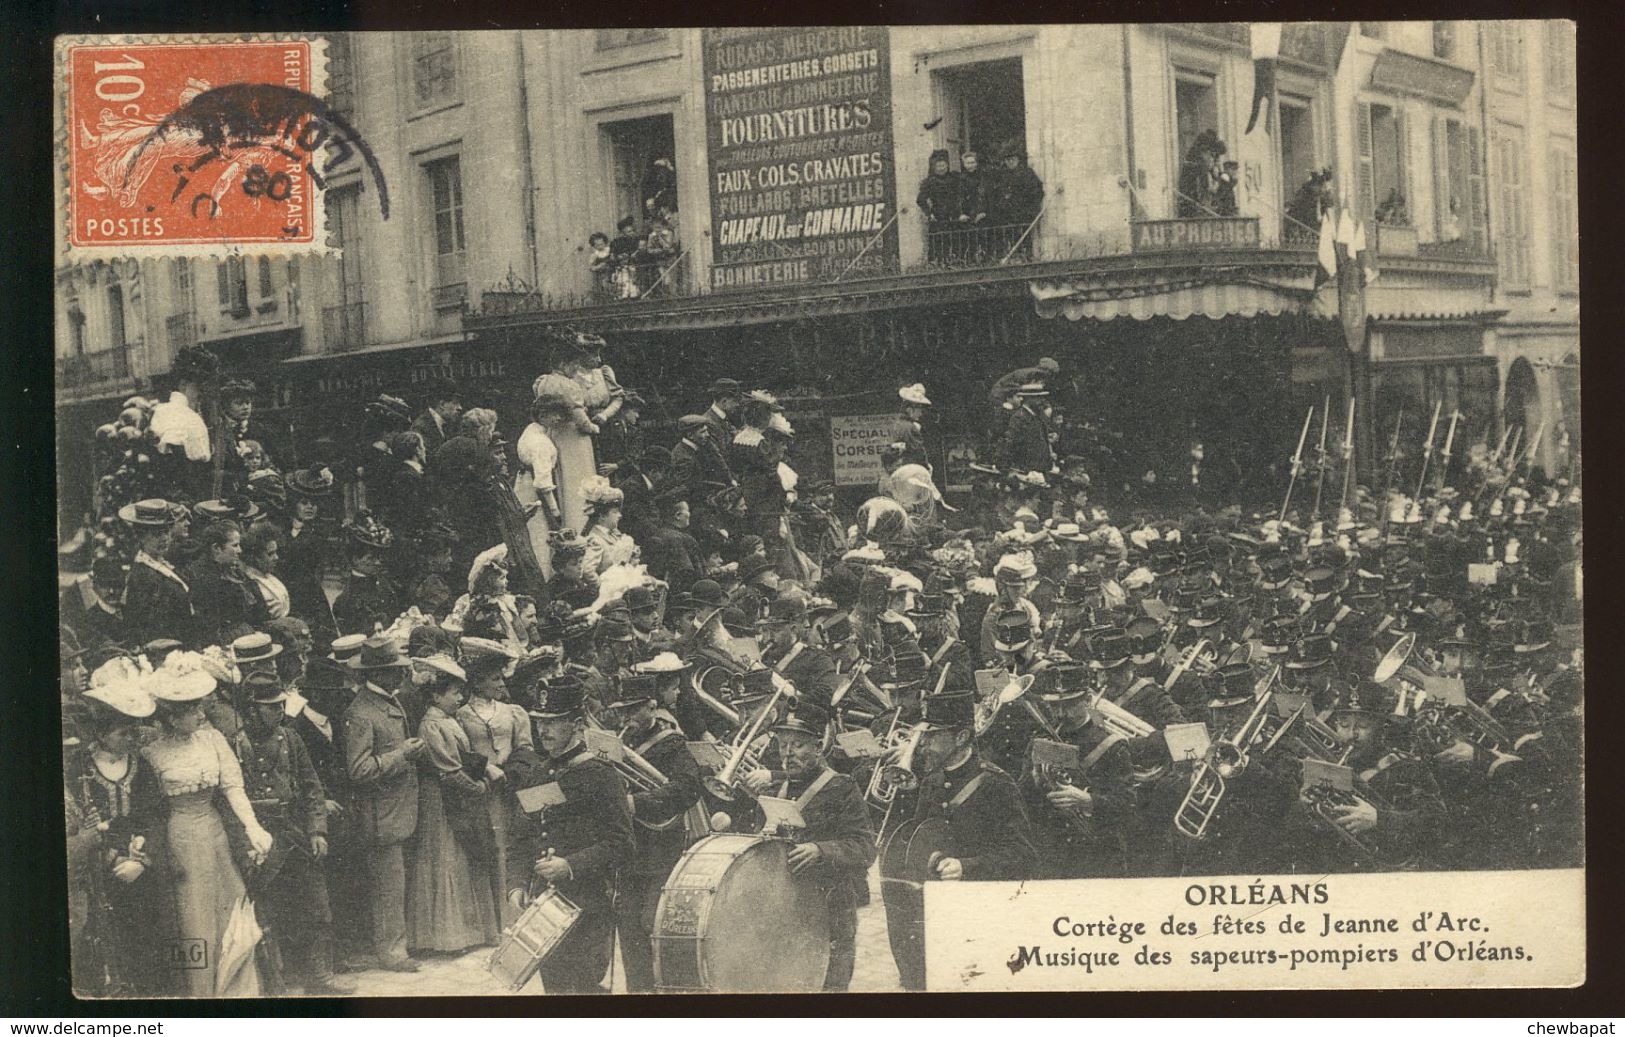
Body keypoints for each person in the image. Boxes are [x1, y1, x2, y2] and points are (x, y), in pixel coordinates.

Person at [142, 651, 273, 996]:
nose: (202, 715)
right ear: (171, 715)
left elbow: (233, 787)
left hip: (215, 834)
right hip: (180, 839)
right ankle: (198, 994)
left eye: (202, 707)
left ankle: (236, 992)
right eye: (193, 709)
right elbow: (150, 809)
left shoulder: (213, 739)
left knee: (232, 909)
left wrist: (253, 827)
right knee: (192, 918)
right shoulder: (151, 752)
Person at [504, 674, 634, 994]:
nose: (543, 730)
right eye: (539, 722)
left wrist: (570, 865)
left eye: (554, 722)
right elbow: (523, 836)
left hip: (588, 905)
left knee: (583, 988)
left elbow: (622, 844)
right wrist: (517, 883)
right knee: (556, 989)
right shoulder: (536, 774)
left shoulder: (601, 776)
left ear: (577, 724)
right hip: (545, 905)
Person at [232, 672, 352, 994]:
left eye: (281, 705)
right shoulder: (234, 745)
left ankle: (319, 979)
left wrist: (317, 832)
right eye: (270, 707)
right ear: (251, 709)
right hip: (260, 839)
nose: (279, 712)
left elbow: (312, 788)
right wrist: (247, 844)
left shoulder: (291, 738)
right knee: (267, 914)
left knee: (316, 907)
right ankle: (277, 983)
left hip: (294, 832)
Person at [65, 677, 174, 996]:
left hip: (142, 867)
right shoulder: (78, 769)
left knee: (148, 934)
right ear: (101, 734)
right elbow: (81, 823)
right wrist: (114, 856)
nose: (131, 739)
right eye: (122, 733)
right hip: (103, 869)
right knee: (110, 938)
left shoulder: (142, 766)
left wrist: (143, 856)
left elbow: (157, 815)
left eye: (133, 732)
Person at [603, 672, 704, 993]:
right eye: (622, 711)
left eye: (633, 710)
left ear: (651, 706)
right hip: (629, 848)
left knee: (655, 922)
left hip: (662, 845)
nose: (626, 718)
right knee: (629, 924)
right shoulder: (618, 742)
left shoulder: (672, 743)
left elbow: (689, 787)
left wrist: (637, 803)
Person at [765, 701, 875, 992]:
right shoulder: (780, 788)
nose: (787, 754)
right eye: (782, 745)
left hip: (832, 906)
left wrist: (821, 850)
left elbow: (865, 847)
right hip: (790, 904)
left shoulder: (842, 787)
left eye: (798, 745)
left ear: (818, 746)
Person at [341, 636, 428, 972]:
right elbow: (358, 769)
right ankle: (391, 951)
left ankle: (395, 945)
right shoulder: (362, 713)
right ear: (377, 674)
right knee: (387, 885)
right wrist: (402, 754)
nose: (402, 675)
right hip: (381, 815)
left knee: (394, 881)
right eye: (395, 671)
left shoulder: (386, 701)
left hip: (396, 810)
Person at [406, 654, 502, 955]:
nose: (460, 698)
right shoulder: (431, 726)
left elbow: (465, 757)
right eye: (454, 692)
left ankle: (469, 932)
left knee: (463, 858)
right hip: (442, 800)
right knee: (446, 859)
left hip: (456, 796)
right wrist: (481, 787)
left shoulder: (449, 720)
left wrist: (483, 770)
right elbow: (448, 772)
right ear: (435, 695)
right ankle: (446, 937)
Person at [455, 641, 534, 925]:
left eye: (501, 677)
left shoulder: (513, 712)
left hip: (509, 790)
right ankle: (488, 923)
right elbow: (459, 752)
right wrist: (485, 768)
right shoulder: (461, 715)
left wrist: (512, 774)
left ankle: (511, 918)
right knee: (483, 849)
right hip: (480, 790)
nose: (501, 683)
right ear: (477, 681)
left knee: (510, 846)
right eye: (494, 678)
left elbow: (525, 748)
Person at [531, 347, 601, 534]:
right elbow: (580, 419)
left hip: (555, 434)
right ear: (563, 364)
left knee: (562, 480)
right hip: (574, 438)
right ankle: (582, 526)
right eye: (573, 365)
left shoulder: (543, 382)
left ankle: (567, 526)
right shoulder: (568, 386)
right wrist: (593, 428)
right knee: (579, 481)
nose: (576, 369)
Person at [118, 499, 195, 647]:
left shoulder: (161, 564)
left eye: (166, 531)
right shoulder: (144, 575)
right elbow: (149, 629)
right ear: (140, 537)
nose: (164, 538)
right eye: (156, 534)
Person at [515, 394, 569, 579]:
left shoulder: (531, 431)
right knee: (541, 535)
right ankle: (544, 579)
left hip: (525, 486)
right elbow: (543, 482)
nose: (559, 418)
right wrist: (555, 510)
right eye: (555, 414)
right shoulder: (540, 442)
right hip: (535, 494)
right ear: (543, 415)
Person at [989, 141, 1045, 255]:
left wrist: (1030, 207)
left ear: (1018, 159)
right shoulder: (1002, 175)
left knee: (1025, 238)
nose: (1010, 162)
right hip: (1007, 214)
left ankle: (1026, 257)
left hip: (1023, 213)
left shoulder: (1027, 173)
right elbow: (996, 193)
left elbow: (1037, 191)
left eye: (1012, 159)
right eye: (1007, 160)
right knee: (1009, 237)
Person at [580, 477, 639, 576]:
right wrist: (604, 585)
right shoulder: (594, 540)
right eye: (615, 512)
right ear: (602, 516)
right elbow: (587, 570)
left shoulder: (614, 534)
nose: (620, 515)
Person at [916, 149, 959, 262]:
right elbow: (920, 200)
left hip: (954, 215)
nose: (941, 168)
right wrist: (929, 214)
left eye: (943, 165)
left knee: (956, 242)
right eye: (938, 166)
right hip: (938, 216)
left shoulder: (954, 179)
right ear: (934, 167)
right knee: (938, 245)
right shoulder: (930, 182)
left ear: (947, 166)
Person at [411, 383, 463, 458]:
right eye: (455, 403)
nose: (460, 408)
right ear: (442, 405)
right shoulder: (420, 426)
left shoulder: (450, 424)